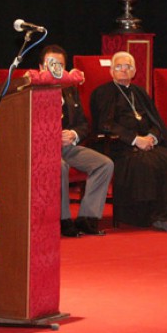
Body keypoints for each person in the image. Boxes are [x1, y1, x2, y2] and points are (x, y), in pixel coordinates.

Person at [90, 51, 167, 232]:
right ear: (111, 71)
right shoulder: (104, 92)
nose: (123, 70)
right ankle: (151, 216)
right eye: (119, 67)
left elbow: (155, 120)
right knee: (147, 163)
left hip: (147, 143)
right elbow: (105, 124)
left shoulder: (139, 92)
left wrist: (152, 137)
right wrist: (135, 140)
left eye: (128, 67)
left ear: (134, 71)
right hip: (119, 147)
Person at [39, 45, 113, 237]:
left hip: (68, 147)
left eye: (60, 65)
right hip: (42, 148)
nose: (56, 69)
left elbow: (83, 124)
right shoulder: (32, 91)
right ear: (41, 68)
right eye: (51, 64)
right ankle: (63, 220)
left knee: (104, 164)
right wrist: (53, 135)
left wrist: (73, 134)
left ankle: (87, 217)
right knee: (60, 166)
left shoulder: (70, 91)